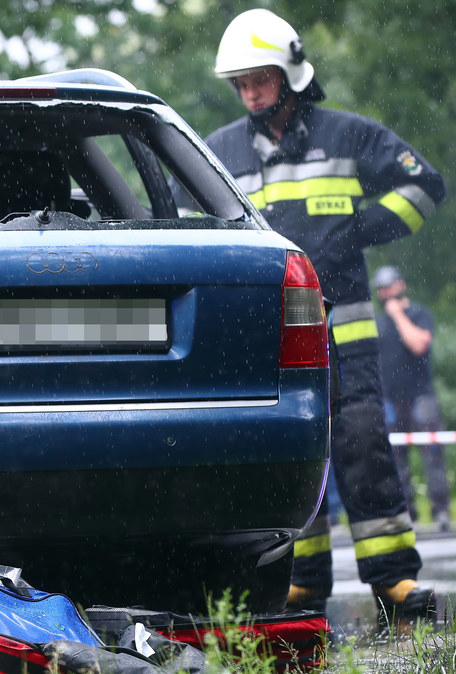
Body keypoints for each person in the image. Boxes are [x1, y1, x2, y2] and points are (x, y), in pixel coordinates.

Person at [205, 9, 446, 625]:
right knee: (289, 457)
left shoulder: (348, 135)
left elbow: (426, 186)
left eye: (261, 77)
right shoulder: (220, 151)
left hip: (351, 335)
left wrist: (362, 228)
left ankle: (395, 580)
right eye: (242, 82)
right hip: (275, 343)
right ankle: (301, 583)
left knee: (364, 450)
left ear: (289, 73)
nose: (252, 91)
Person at [374, 265, 449, 531]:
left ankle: (440, 512)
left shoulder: (419, 314)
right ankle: (408, 514)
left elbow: (419, 345)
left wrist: (398, 316)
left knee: (432, 454)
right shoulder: (378, 323)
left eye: (389, 286)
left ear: (400, 285)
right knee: (397, 460)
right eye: (381, 288)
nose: (385, 293)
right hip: (392, 400)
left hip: (421, 397)